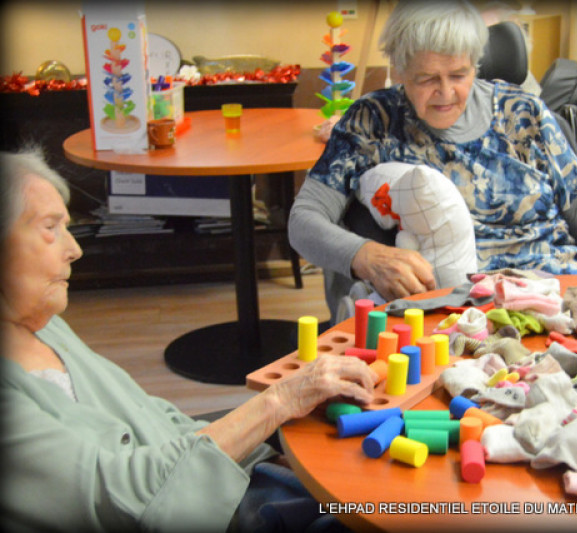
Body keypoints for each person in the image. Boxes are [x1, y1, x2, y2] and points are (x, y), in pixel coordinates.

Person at [0, 148, 375, 531]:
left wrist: (262, 453)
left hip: (226, 486)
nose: (73, 249)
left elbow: (151, 416)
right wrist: (280, 401)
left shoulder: (43, 326)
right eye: (50, 228)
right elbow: (120, 498)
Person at [288, 0, 577, 320]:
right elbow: (304, 219)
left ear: (476, 63)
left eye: (459, 74)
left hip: (561, 291)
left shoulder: (524, 111)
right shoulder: (373, 121)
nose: (446, 93)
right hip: (465, 309)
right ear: (400, 70)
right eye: (426, 78)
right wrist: (366, 257)